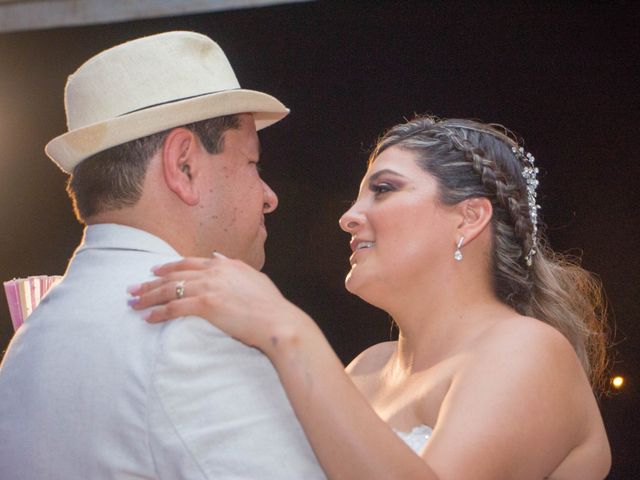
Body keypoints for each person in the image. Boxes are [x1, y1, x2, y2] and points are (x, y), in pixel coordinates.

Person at [131, 115, 612, 479]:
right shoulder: (366, 368)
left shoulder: (528, 351)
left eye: (383, 189)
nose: (349, 216)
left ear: (468, 218)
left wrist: (288, 329)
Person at [0, 31, 325, 479]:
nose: (268, 197)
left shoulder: (31, 339)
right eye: (252, 162)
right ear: (184, 165)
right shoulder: (187, 331)